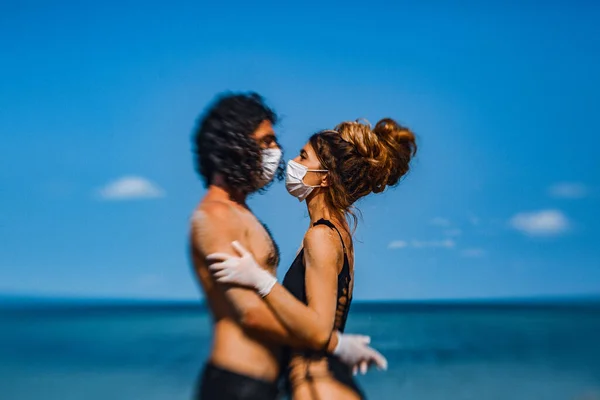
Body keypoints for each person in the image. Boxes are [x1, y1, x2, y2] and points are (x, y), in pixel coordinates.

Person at [189, 93, 387, 400]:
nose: (277, 153)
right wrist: (332, 343)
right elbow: (251, 314)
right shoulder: (217, 215)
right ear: (235, 143)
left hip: (265, 385)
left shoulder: (243, 212)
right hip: (237, 383)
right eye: (266, 141)